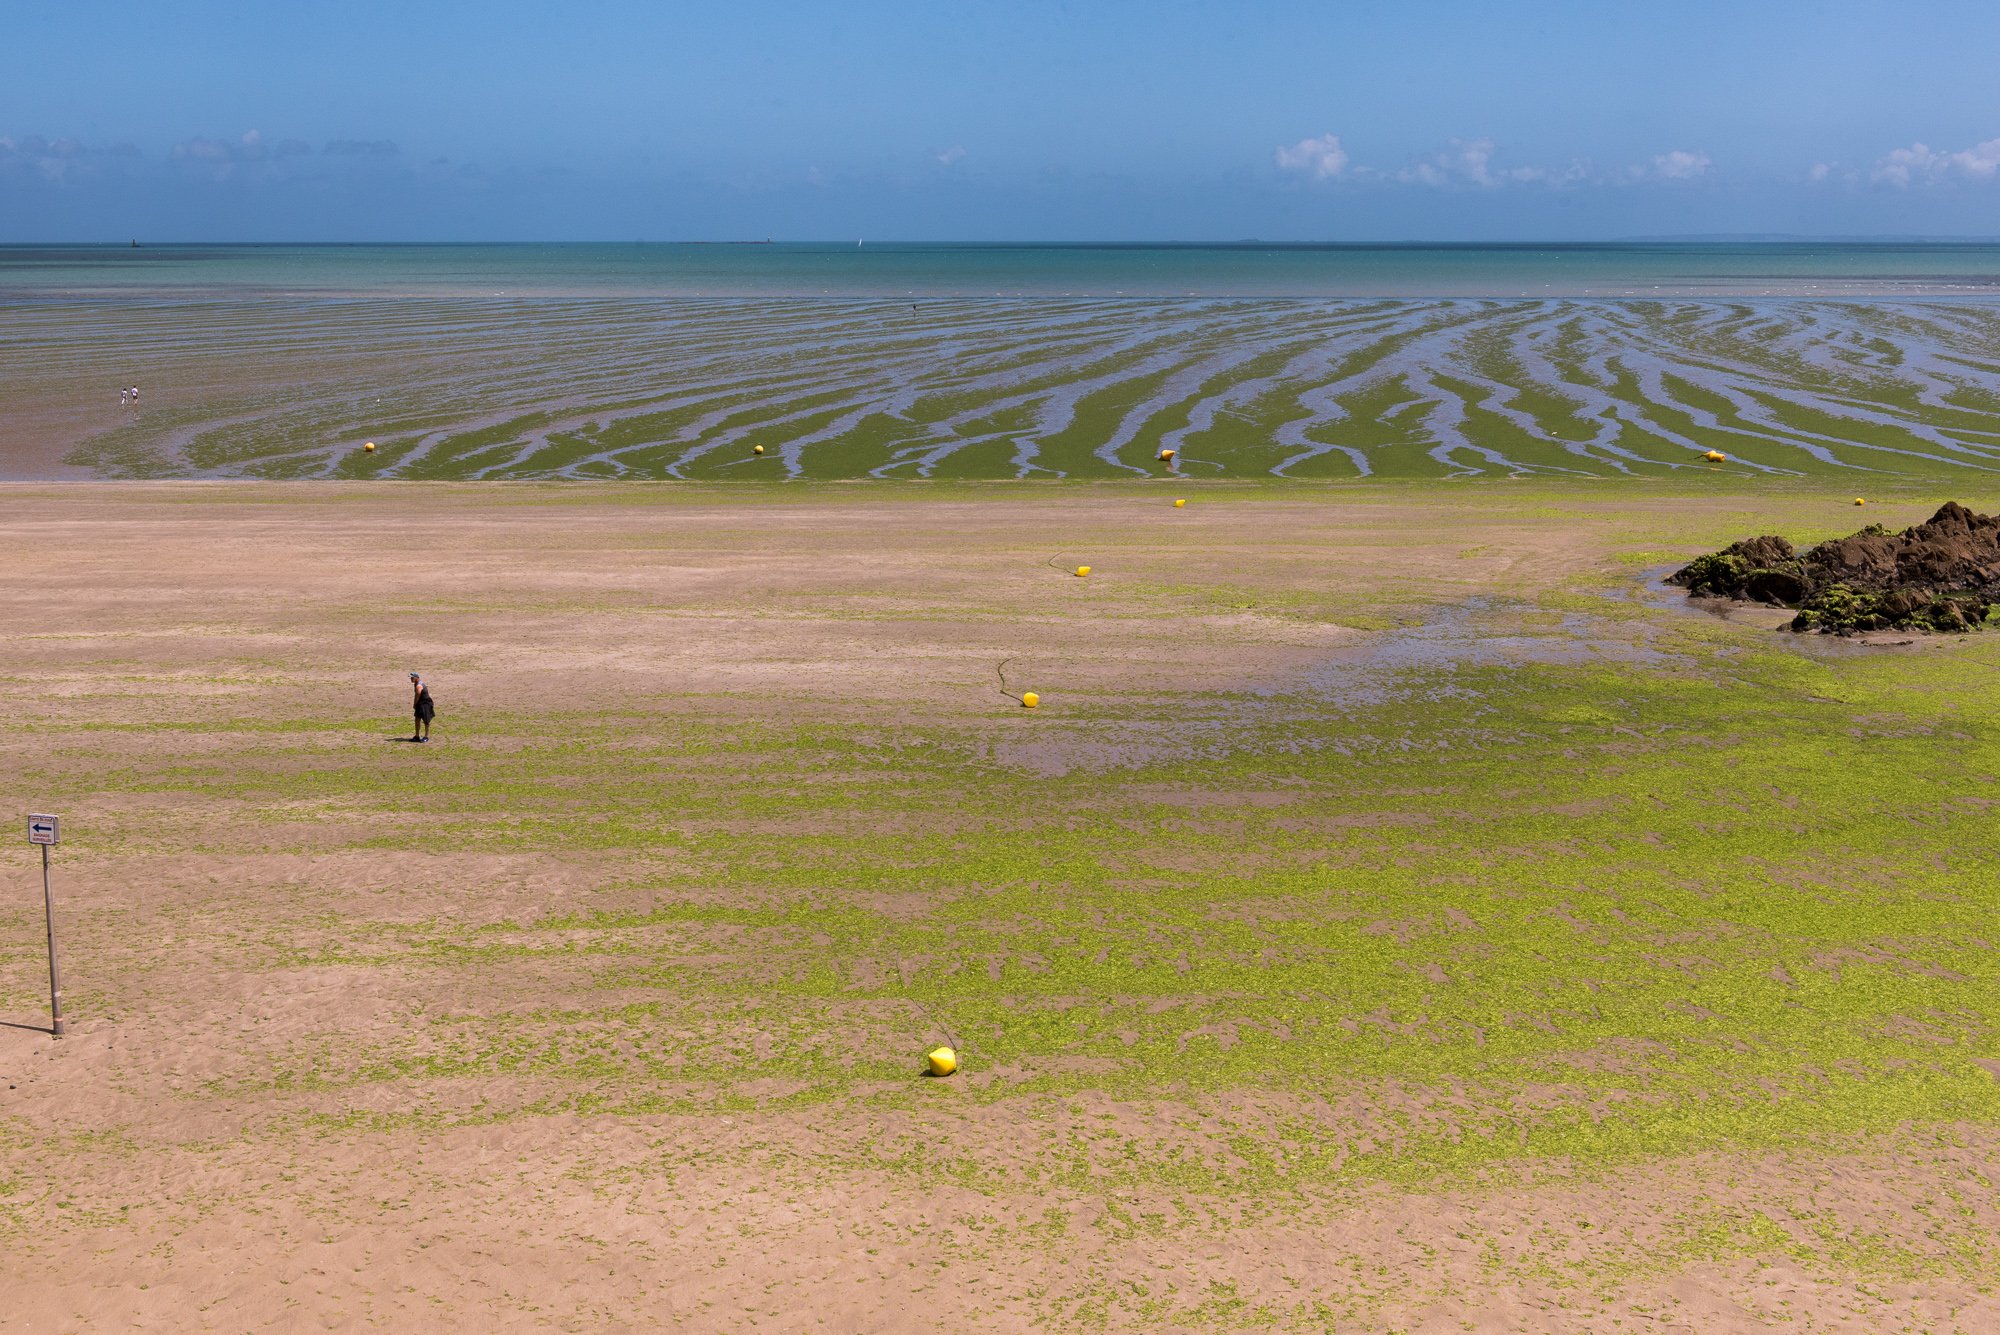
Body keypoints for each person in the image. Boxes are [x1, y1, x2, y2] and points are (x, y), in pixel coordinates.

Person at [410, 672, 435, 742]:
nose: (411, 679)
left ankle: (426, 736)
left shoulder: (419, 685)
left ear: (416, 678)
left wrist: (415, 704)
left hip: (425, 704)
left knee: (426, 721)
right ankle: (417, 736)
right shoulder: (416, 684)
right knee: (417, 719)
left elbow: (417, 695)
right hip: (420, 704)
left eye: (412, 678)